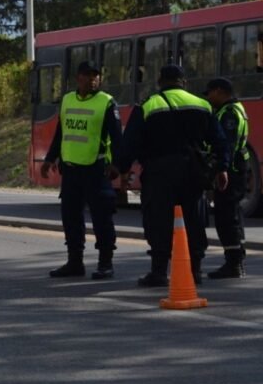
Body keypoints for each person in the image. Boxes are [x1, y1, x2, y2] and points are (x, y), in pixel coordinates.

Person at [118, 64, 230, 287]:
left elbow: (130, 142)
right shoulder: (202, 105)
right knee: (194, 219)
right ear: (184, 82)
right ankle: (195, 270)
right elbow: (220, 140)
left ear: (160, 81)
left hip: (159, 173)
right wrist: (222, 167)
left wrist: (123, 170)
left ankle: (159, 271)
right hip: (193, 172)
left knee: (158, 220)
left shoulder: (148, 105)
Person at [40, 61, 123, 279]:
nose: (93, 79)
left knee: (102, 218)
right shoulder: (67, 99)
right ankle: (75, 262)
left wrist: (119, 166)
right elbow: (61, 133)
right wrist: (49, 159)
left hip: (96, 170)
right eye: (88, 75)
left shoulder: (106, 102)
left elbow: (117, 138)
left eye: (96, 75)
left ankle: (106, 263)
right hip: (71, 171)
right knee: (71, 218)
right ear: (78, 78)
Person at [204, 77, 250, 279]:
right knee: (233, 215)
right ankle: (237, 260)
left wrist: (220, 170)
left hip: (231, 171)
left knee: (226, 217)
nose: (209, 98)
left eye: (211, 93)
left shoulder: (229, 113)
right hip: (237, 168)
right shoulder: (233, 109)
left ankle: (233, 263)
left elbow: (227, 146)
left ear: (221, 92)